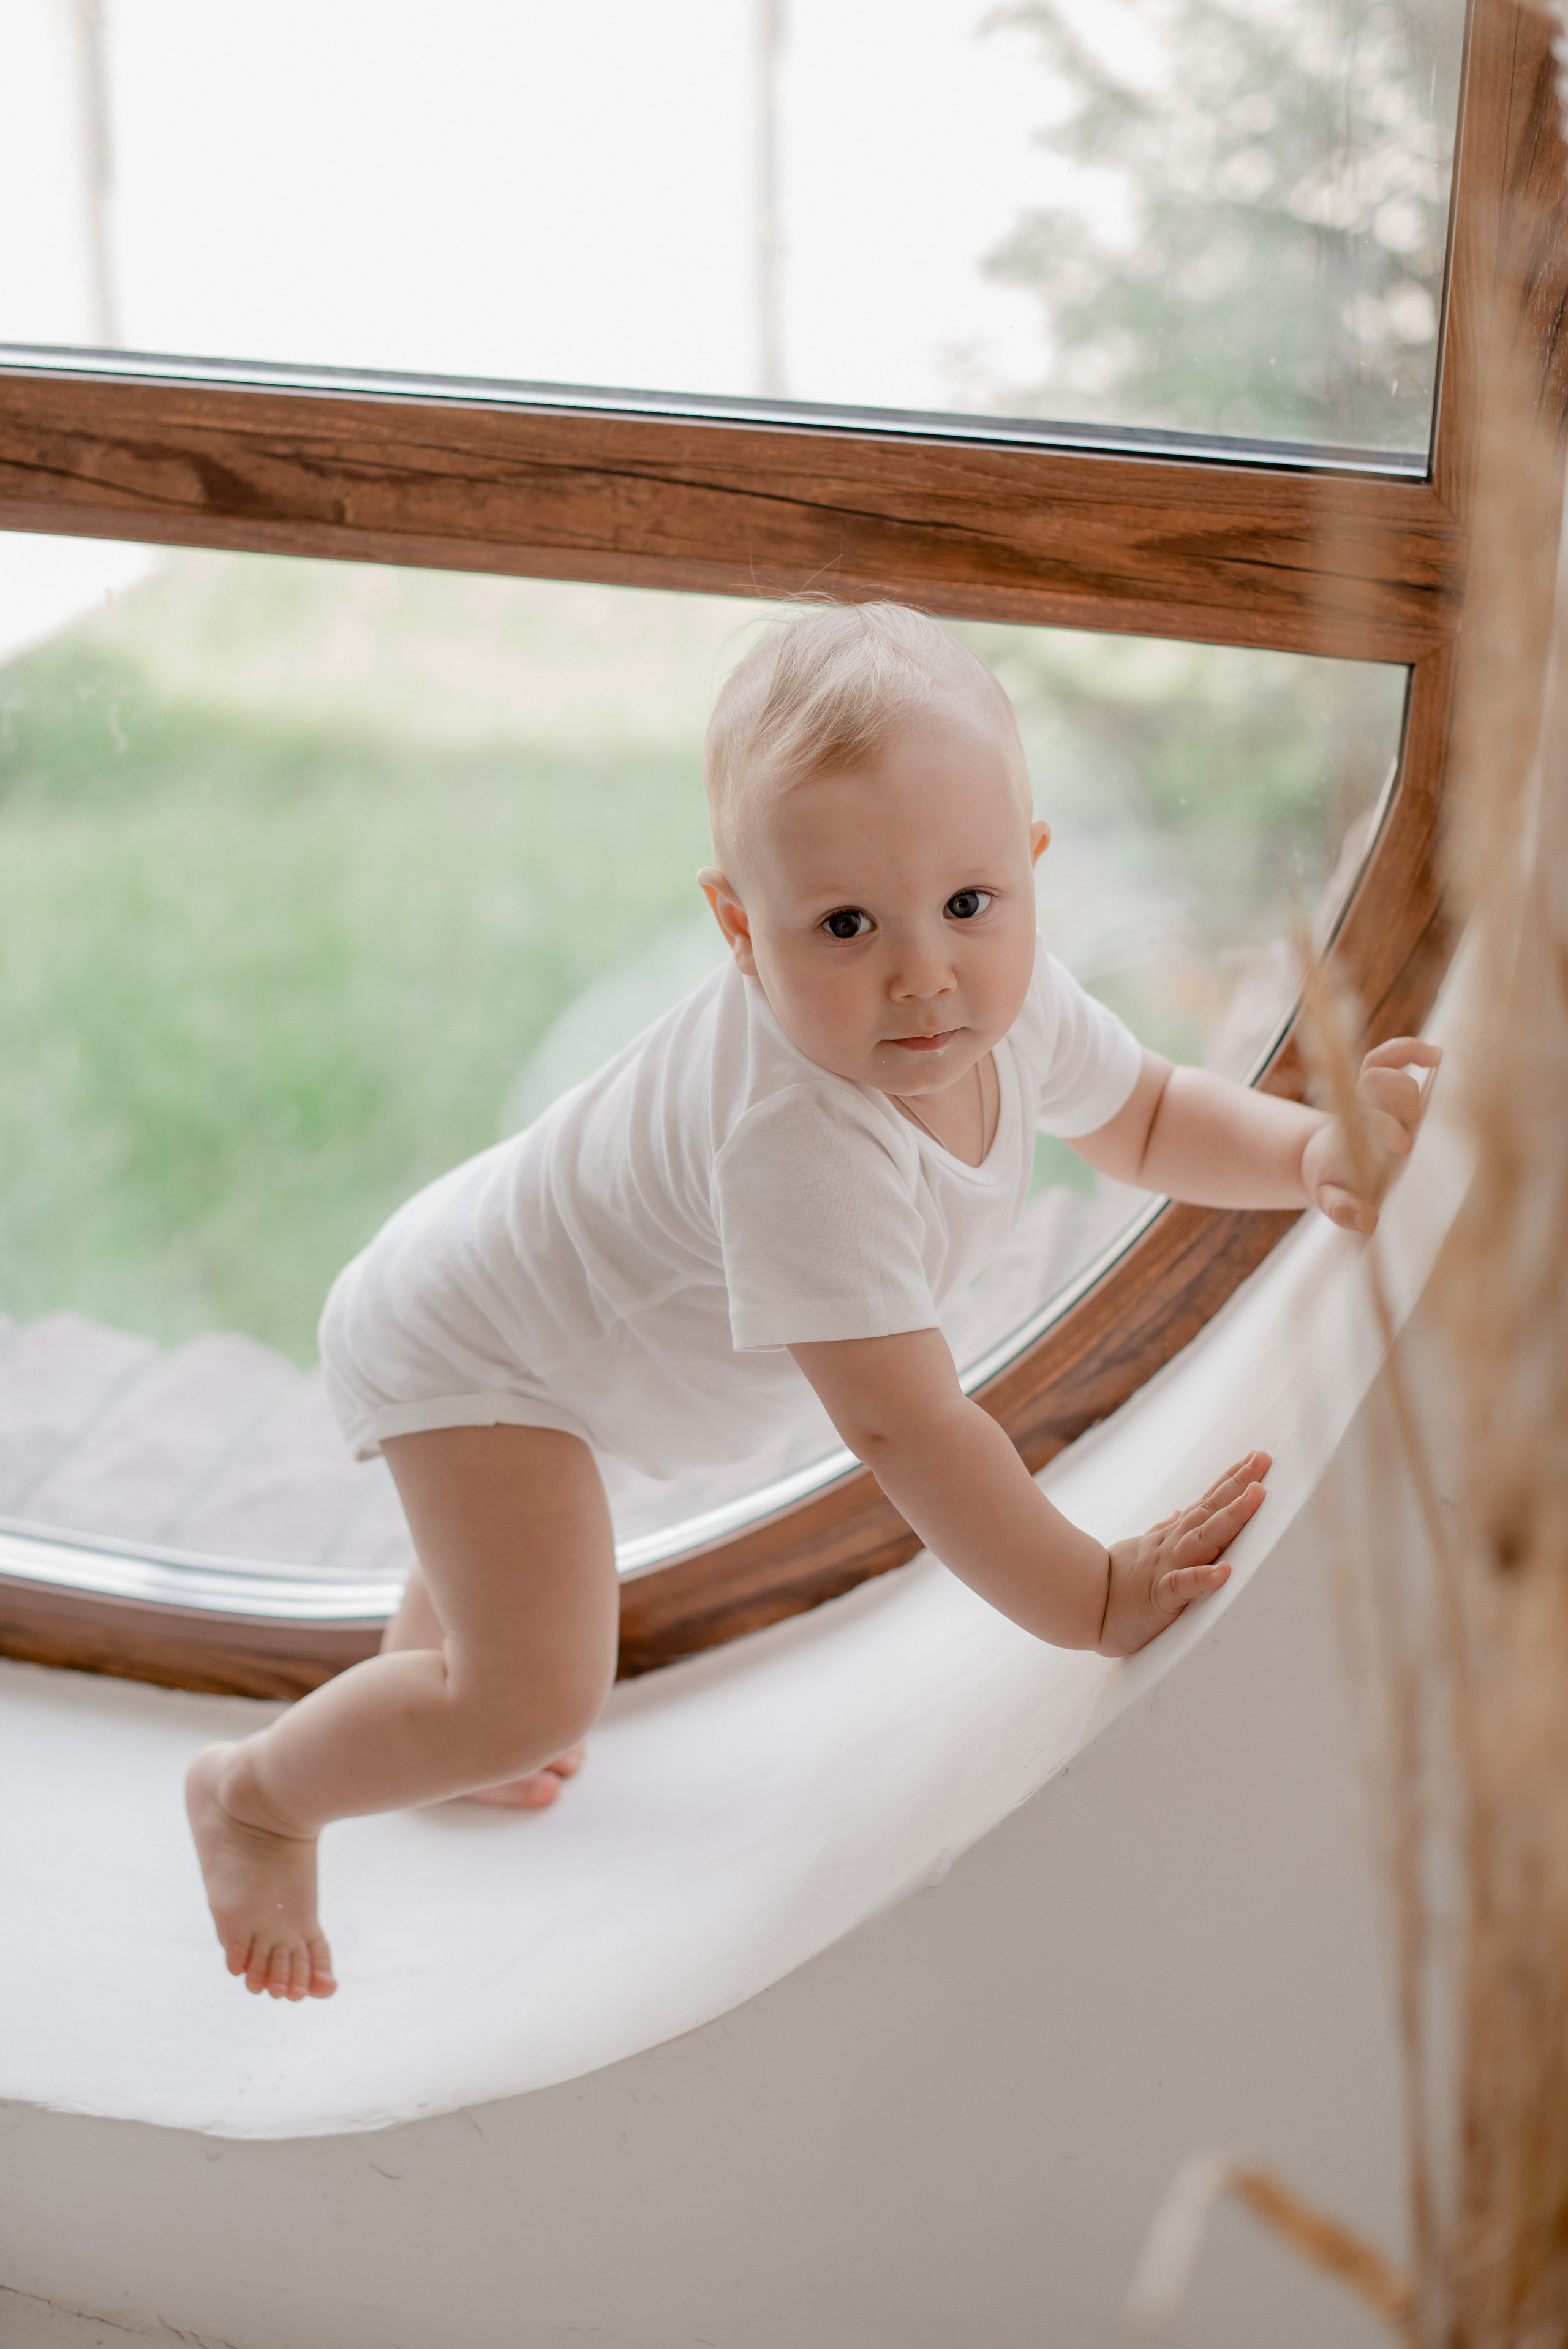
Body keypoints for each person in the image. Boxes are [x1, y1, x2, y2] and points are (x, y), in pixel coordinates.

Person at [186, 603, 1438, 2003]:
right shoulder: (799, 1144)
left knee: (485, 1656)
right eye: (843, 925)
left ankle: (437, 1713)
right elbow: (908, 1431)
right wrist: (1089, 1595)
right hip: (483, 1355)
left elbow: (1140, 1116)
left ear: (1029, 870)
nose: (921, 974)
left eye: (967, 907)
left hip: (528, 1297)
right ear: (736, 925)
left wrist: (1311, 1152)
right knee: (535, 1689)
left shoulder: (998, 999)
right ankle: (258, 1798)